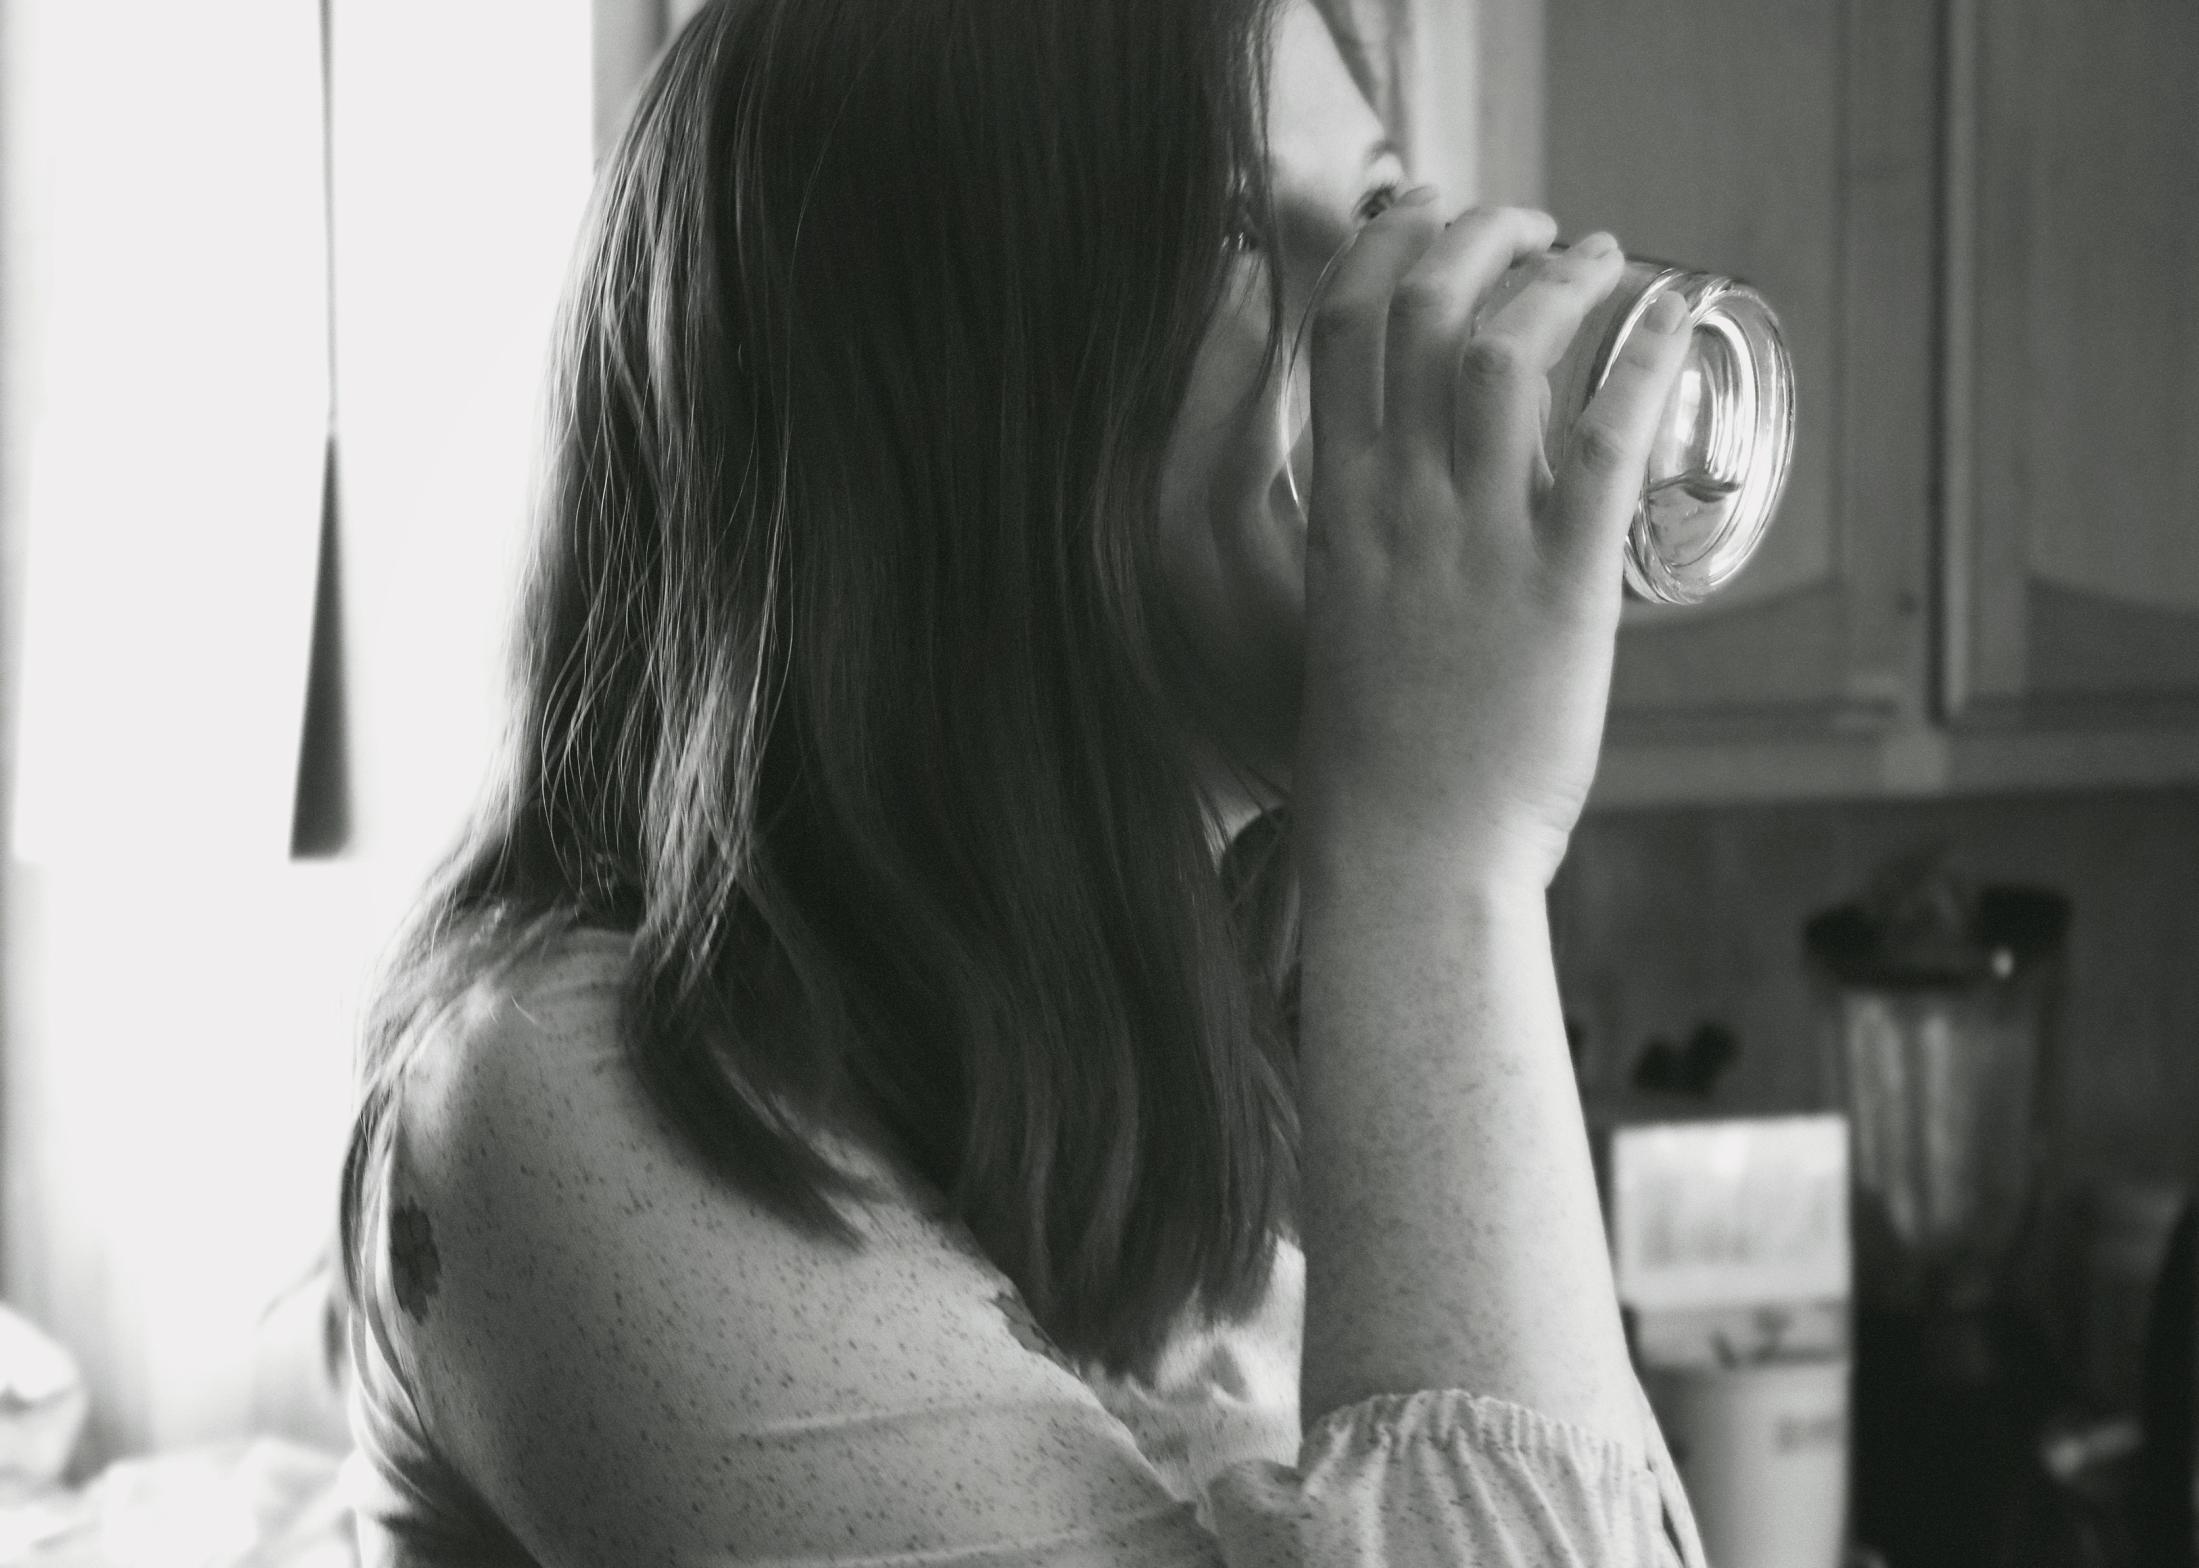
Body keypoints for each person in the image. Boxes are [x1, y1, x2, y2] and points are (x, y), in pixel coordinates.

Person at [338, 0, 1709, 1561]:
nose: (1390, 320)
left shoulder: (1231, 1046)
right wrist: (1442, 864)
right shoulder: (560, 1100)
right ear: (933, 399)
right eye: (1238, 231)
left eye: (1383, 207)